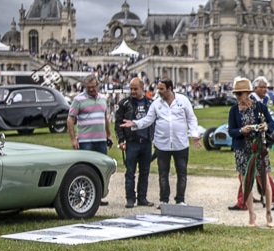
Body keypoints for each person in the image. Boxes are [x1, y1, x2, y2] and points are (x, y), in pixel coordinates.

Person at [121, 77, 201, 207]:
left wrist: (195, 135)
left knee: (182, 173)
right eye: (158, 88)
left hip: (180, 144)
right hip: (162, 144)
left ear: (170, 89)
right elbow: (148, 120)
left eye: (161, 89)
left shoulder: (183, 101)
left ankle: (180, 200)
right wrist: (134, 123)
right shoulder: (156, 104)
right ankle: (164, 200)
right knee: (163, 174)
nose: (159, 91)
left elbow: (191, 119)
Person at [227, 77, 274, 226]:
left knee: (264, 180)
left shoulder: (259, 107)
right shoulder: (234, 110)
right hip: (242, 149)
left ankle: (268, 213)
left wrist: (266, 127)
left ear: (247, 93)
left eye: (240, 93)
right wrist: (241, 130)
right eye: (236, 94)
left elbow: (272, 123)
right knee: (246, 182)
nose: (237, 96)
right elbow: (231, 131)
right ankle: (251, 215)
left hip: (259, 148)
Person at [114, 77, 154, 208]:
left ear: (142, 88)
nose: (133, 91)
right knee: (130, 172)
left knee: (145, 171)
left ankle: (142, 198)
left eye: (135, 89)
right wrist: (121, 140)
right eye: (131, 89)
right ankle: (130, 198)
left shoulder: (150, 103)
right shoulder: (124, 103)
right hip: (132, 142)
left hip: (146, 142)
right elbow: (118, 123)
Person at [68, 74, 112, 155]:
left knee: (102, 165)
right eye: (88, 87)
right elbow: (70, 119)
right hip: (85, 141)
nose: (91, 89)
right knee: (86, 166)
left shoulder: (103, 99)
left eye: (93, 87)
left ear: (97, 85)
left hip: (101, 140)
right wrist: (73, 139)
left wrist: (109, 135)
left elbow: (105, 118)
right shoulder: (78, 100)